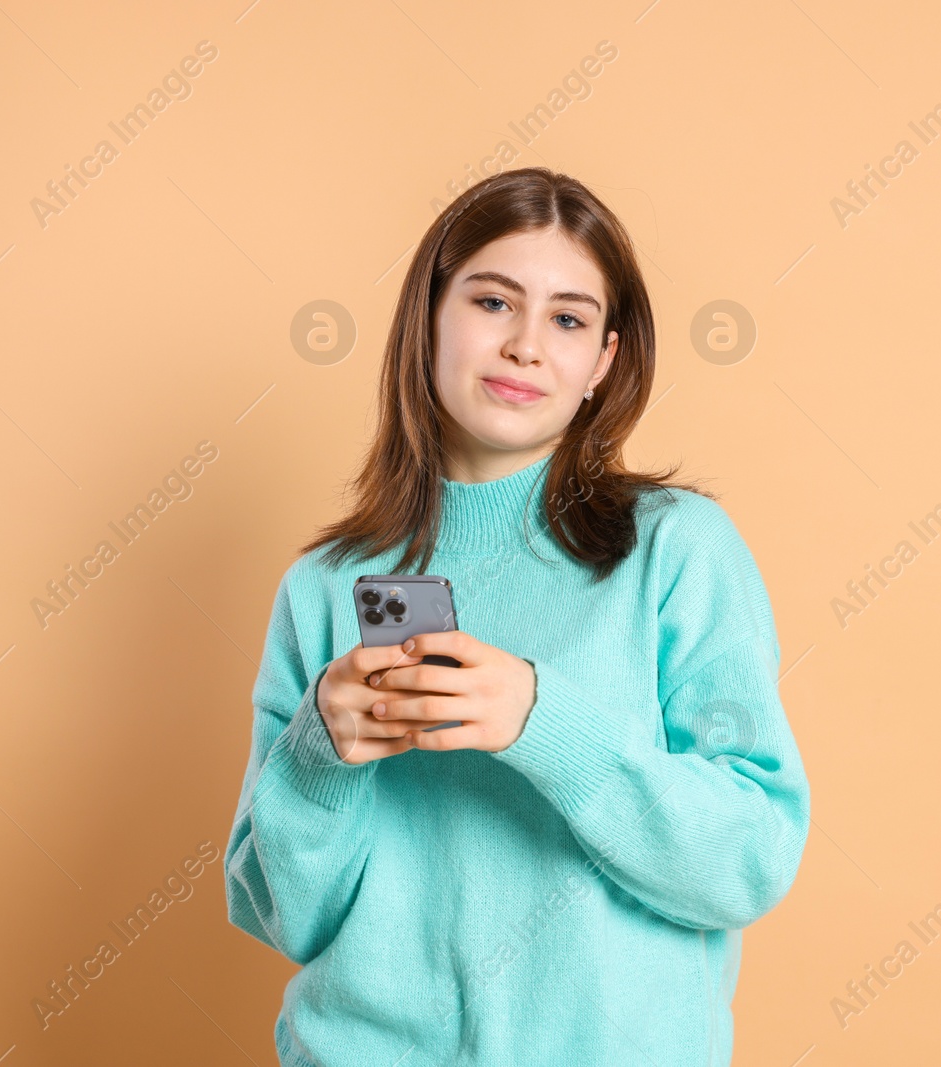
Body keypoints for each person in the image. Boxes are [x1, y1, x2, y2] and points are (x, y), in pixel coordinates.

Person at [223, 166, 811, 1065]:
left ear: (603, 361)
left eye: (568, 318)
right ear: (429, 318)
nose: (526, 346)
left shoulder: (676, 549)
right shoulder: (324, 585)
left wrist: (544, 721)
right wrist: (318, 753)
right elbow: (285, 918)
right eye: (494, 302)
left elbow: (749, 857)